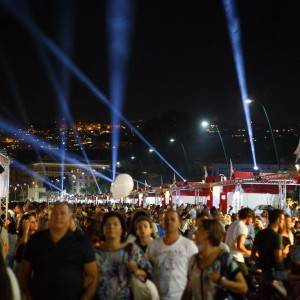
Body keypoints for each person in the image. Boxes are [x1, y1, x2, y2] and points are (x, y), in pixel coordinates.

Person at [21, 202, 98, 300]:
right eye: (55, 213)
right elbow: (24, 273)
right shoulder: (35, 241)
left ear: (70, 218)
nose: (58, 216)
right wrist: (28, 295)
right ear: (50, 216)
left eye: (62, 213)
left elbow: (93, 276)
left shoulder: (82, 242)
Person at [182, 219, 248, 299]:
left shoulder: (225, 258)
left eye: (199, 229)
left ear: (207, 234)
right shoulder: (194, 259)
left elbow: (243, 287)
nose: (195, 232)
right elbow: (188, 288)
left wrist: (221, 281)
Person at [94, 211, 152, 300]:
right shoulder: (95, 252)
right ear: (103, 229)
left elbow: (148, 272)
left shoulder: (131, 249)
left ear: (122, 229)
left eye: (115, 224)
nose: (111, 227)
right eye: (107, 224)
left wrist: (136, 271)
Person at [147, 209, 198, 300]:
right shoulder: (153, 245)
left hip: (181, 296)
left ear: (179, 223)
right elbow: (148, 269)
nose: (169, 222)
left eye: (172, 219)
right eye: (166, 220)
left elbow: (194, 274)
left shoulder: (188, 246)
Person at [252, 209, 286, 281]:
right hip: (275, 274)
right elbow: (278, 259)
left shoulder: (260, 233)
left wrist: (260, 262)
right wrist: (284, 253)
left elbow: (253, 253)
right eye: (282, 219)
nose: (283, 222)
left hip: (263, 271)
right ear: (278, 220)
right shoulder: (277, 236)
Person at [225, 208, 255, 276]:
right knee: (246, 279)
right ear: (248, 217)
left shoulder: (233, 224)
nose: (252, 221)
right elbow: (240, 246)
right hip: (236, 258)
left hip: (228, 257)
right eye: (252, 218)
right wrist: (249, 253)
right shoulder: (243, 227)